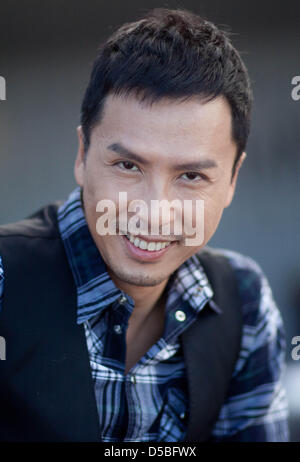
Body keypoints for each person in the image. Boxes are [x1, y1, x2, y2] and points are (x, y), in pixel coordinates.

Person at [0, 8, 289, 442]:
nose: (155, 211)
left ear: (232, 180)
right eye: (128, 165)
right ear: (82, 155)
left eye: (191, 176)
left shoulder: (244, 305)